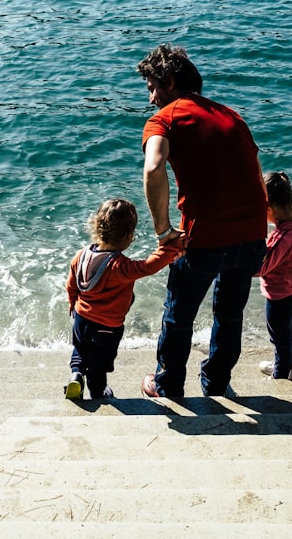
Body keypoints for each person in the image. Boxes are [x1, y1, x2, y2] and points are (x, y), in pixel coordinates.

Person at [137, 43, 268, 398]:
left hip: (204, 237)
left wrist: (164, 231)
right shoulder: (232, 115)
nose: (150, 98)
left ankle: (167, 386)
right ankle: (216, 383)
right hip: (253, 235)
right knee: (230, 314)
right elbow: (257, 173)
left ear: (168, 80)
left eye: (151, 87)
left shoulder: (165, 119)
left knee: (178, 315)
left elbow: (153, 168)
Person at [66, 198, 185, 400]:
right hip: (107, 326)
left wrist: (72, 303)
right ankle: (98, 393)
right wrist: (172, 247)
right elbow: (148, 266)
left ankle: (76, 375)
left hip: (80, 317)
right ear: (129, 235)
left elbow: (71, 284)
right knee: (98, 366)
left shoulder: (81, 255)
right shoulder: (119, 266)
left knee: (80, 350)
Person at [254, 171, 292, 380]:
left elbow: (260, 269)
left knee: (279, 337)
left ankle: (280, 375)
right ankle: (286, 366)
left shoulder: (281, 238)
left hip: (279, 294)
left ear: (271, 208)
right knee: (290, 330)